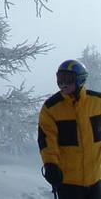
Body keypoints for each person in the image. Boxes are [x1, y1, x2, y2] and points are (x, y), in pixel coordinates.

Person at [38, 59, 101, 198]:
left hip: (96, 178)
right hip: (68, 180)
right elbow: (47, 140)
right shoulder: (51, 107)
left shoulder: (97, 102)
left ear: (80, 79)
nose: (63, 84)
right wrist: (50, 164)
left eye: (68, 79)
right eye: (60, 79)